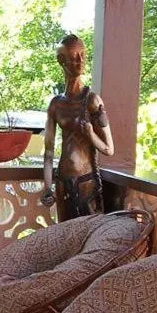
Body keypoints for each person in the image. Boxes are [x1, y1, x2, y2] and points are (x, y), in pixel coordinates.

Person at [40, 34, 115, 220]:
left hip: (87, 181)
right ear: (61, 60)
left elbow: (109, 149)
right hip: (63, 182)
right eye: (74, 56)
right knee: (65, 235)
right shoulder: (56, 104)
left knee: (86, 232)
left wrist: (90, 134)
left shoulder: (92, 100)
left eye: (83, 55)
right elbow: (48, 152)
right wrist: (48, 187)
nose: (80, 61)